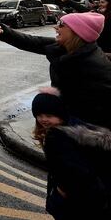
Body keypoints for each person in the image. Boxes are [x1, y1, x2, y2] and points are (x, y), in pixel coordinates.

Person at [0, 12, 111, 129]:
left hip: (87, 127)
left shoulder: (95, 64)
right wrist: (3, 32)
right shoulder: (63, 46)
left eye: (61, 25)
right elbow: (30, 41)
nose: (56, 28)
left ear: (77, 32)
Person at [29, 90, 111, 219]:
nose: (43, 119)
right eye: (39, 115)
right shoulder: (77, 128)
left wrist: (62, 190)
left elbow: (74, 170)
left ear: (60, 114)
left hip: (75, 200)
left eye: (49, 115)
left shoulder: (57, 138)